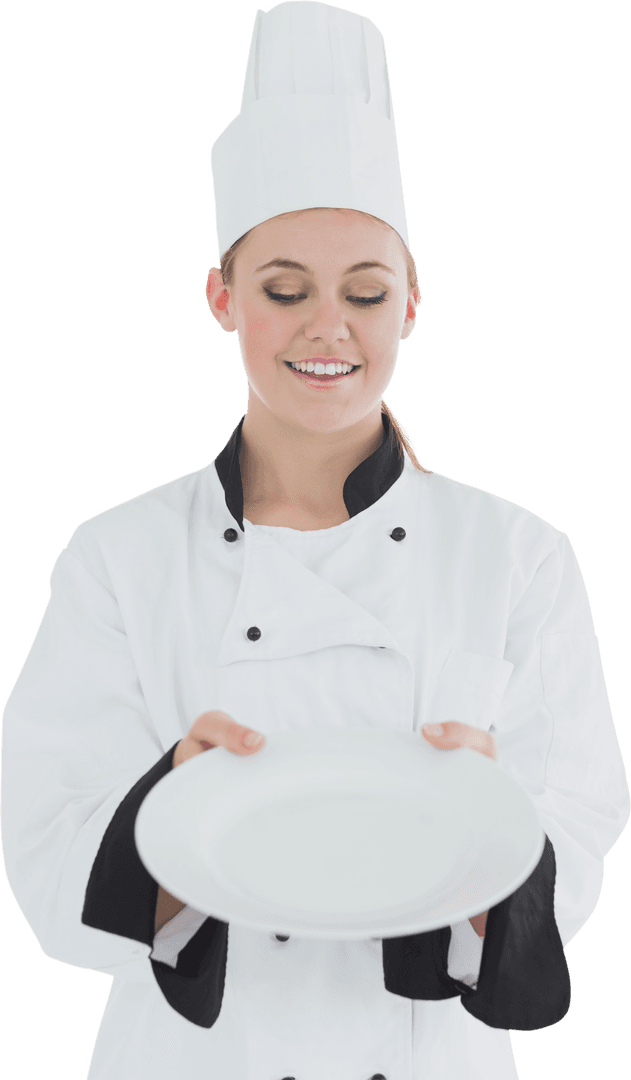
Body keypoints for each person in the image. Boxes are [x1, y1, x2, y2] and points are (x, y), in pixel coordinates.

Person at [1, 4, 629, 1080]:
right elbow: (45, 837)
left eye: (367, 292)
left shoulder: (516, 553)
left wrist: (493, 831)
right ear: (221, 299)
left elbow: (578, 822)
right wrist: (165, 807)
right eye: (283, 290)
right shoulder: (119, 556)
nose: (326, 327)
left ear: (415, 306)